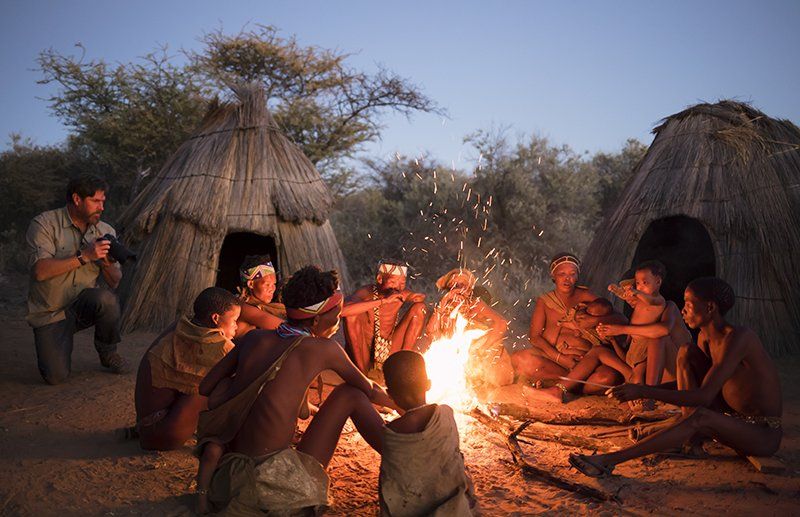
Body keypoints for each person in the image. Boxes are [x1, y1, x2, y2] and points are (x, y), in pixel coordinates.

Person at [194, 266, 397, 515]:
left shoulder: (252, 339)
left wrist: (235, 387)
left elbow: (206, 387)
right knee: (350, 394)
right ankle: (403, 456)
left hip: (232, 471)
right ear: (316, 319)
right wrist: (405, 404)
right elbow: (370, 390)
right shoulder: (323, 349)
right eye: (335, 315)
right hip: (272, 478)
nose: (337, 322)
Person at [568, 277, 783, 478]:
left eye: (689, 304)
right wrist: (638, 388)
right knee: (686, 352)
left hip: (760, 434)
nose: (683, 310)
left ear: (710, 308)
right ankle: (690, 436)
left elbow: (703, 396)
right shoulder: (704, 337)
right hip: (729, 419)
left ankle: (608, 461)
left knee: (700, 416)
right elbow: (690, 388)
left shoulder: (739, 338)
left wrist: (643, 391)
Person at [25, 174, 127, 384]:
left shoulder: (105, 230)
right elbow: (39, 272)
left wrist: (105, 262)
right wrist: (85, 256)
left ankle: (108, 352)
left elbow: (115, 281)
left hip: (82, 305)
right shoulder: (44, 223)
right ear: (77, 199)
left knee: (107, 299)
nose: (101, 207)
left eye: (103, 201)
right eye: (95, 201)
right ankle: (59, 339)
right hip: (51, 313)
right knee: (55, 377)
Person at [133, 287, 240, 450]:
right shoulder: (219, 348)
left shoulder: (181, 326)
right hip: (162, 434)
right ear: (215, 318)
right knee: (224, 385)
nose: (236, 326)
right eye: (234, 321)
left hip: (146, 425)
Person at [379, 351, 475, 516]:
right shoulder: (446, 414)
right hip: (454, 508)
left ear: (389, 394)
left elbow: (392, 480)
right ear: (429, 384)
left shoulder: (392, 432)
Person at [510, 253, 618, 390]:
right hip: (555, 360)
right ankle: (574, 383)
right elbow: (535, 337)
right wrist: (560, 358)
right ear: (553, 276)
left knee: (608, 377)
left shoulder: (586, 296)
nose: (567, 279)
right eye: (562, 274)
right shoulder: (545, 302)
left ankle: (565, 383)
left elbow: (619, 318)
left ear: (577, 276)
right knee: (519, 359)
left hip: (586, 360)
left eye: (572, 274)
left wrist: (593, 320)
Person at [425, 268, 513, 389]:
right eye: (454, 285)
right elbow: (431, 332)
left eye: (463, 285)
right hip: (461, 363)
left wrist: (482, 349)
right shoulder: (443, 308)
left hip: (489, 365)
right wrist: (444, 300)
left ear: (469, 289)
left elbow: (502, 324)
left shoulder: (475, 304)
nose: (458, 289)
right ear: (448, 289)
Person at [343, 260, 427, 376]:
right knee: (351, 315)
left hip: (388, 352)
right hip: (363, 354)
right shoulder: (366, 293)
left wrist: (416, 297)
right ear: (379, 279)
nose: (397, 287)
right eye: (392, 282)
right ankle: (362, 377)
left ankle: (401, 367)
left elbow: (416, 298)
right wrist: (383, 301)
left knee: (420, 308)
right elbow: (343, 310)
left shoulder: (400, 294)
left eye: (402, 283)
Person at [234, 256, 284, 338]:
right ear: (251, 284)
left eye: (274, 284)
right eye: (267, 284)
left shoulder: (264, 307)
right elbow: (286, 329)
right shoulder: (243, 308)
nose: (272, 289)